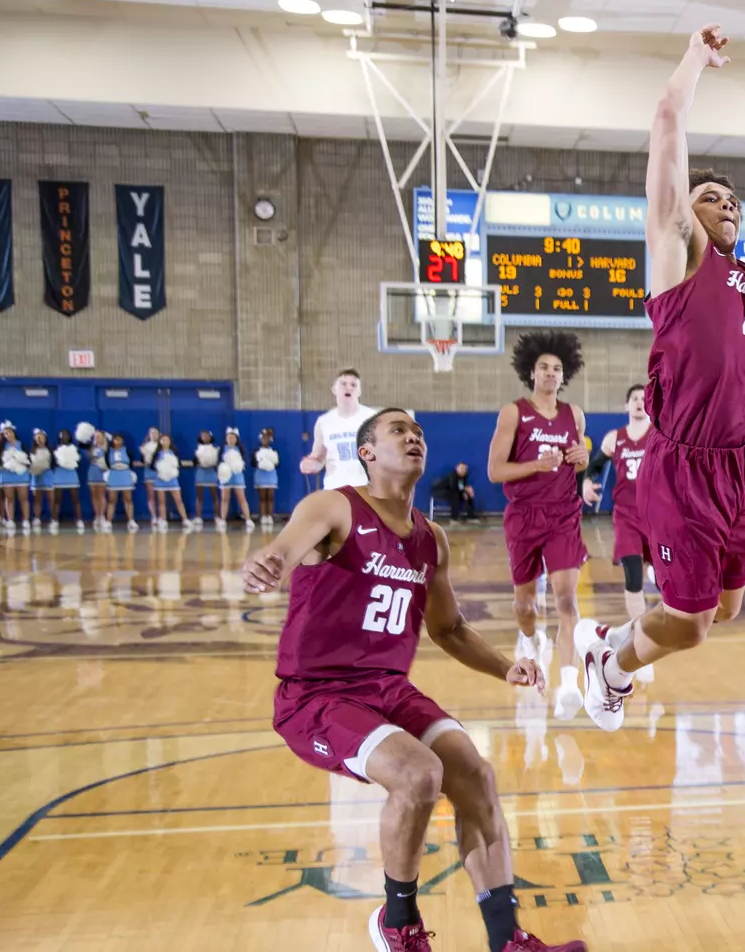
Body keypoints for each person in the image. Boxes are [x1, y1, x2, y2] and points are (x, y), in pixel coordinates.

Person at [575, 26, 745, 737]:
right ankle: (610, 664)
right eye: (709, 195)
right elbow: (668, 120)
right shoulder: (676, 255)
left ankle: (609, 646)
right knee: (692, 628)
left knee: (722, 610)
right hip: (683, 464)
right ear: (684, 210)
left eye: (733, 201)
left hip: (743, 463)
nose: (724, 203)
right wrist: (696, 58)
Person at [241, 408, 584, 952]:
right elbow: (285, 548)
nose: (413, 437)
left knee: (474, 773)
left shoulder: (433, 539)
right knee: (420, 773)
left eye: (419, 432)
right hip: (317, 695)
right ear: (368, 452)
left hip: (387, 691)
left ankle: (507, 939)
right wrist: (270, 562)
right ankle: (396, 923)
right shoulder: (335, 506)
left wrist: (505, 666)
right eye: (397, 430)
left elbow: (447, 628)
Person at [486, 330, 592, 721]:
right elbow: (495, 471)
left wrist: (580, 458)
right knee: (524, 605)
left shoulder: (574, 414)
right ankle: (531, 639)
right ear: (531, 372)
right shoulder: (513, 412)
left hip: (564, 514)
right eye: (544, 367)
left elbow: (577, 459)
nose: (551, 373)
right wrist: (536, 465)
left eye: (557, 369)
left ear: (564, 375)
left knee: (567, 600)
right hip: (525, 515)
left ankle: (568, 683)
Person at [580, 384, 656, 690]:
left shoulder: (661, 435)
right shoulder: (615, 438)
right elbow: (594, 466)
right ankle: (644, 650)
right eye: (634, 399)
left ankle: (656, 573)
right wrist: (586, 483)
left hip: (658, 517)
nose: (639, 402)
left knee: (666, 582)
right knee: (633, 578)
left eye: (643, 399)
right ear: (627, 406)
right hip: (626, 516)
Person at [301, 368, 380, 491]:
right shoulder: (324, 421)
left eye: (353, 385)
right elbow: (319, 458)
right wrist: (310, 464)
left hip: (366, 489)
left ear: (359, 391)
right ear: (334, 389)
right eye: (343, 384)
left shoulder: (372, 418)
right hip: (335, 489)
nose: (349, 388)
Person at [218, 427, 255, 532]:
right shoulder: (222, 449)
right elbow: (218, 462)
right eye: (229, 437)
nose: (231, 439)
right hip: (226, 478)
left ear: (236, 439)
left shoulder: (240, 449)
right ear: (226, 438)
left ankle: (248, 519)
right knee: (225, 499)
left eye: (233, 437)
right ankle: (223, 519)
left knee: (242, 498)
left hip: (238, 477)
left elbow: (244, 462)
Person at [253, 427, 282, 529]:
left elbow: (277, 464)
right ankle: (263, 516)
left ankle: (269, 516)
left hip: (271, 476)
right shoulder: (256, 451)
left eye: (267, 438)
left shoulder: (274, 451)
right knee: (262, 497)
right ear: (260, 439)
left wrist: (271, 461)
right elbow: (253, 463)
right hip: (260, 475)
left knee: (270, 496)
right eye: (263, 438)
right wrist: (261, 462)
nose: (265, 440)